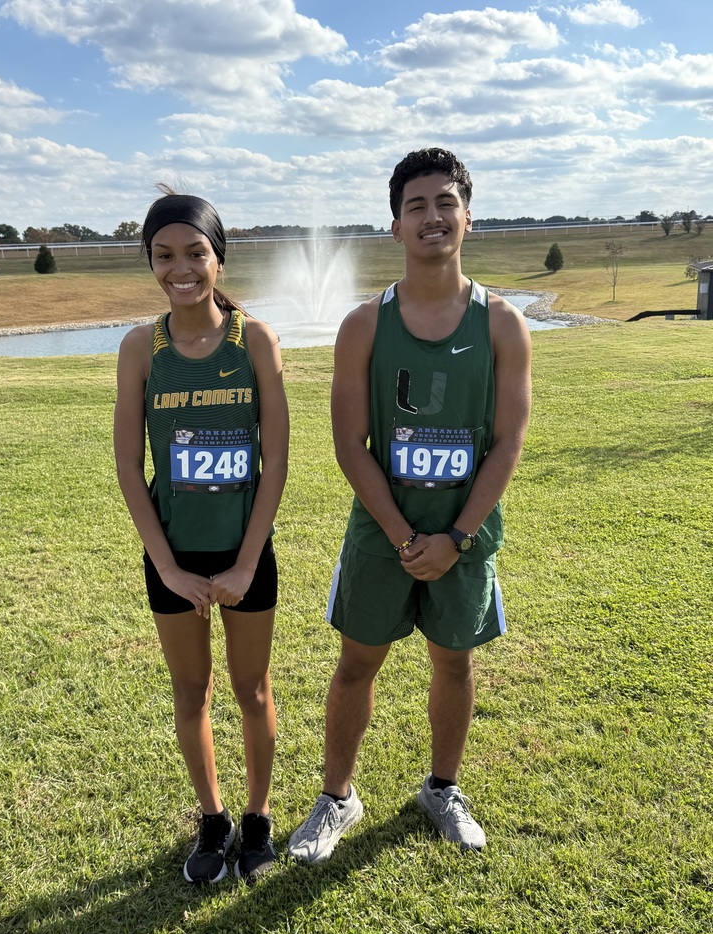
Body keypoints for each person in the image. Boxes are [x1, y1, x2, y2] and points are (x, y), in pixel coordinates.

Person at [288, 148, 531, 863]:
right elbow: (349, 444)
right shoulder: (364, 325)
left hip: (465, 534)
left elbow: (508, 443)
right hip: (381, 535)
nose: (433, 216)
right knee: (357, 665)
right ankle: (337, 798)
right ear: (395, 225)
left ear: (467, 217)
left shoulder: (502, 324)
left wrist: (456, 535)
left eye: (445, 202)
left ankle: (442, 790)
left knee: (453, 665)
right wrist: (402, 537)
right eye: (416, 205)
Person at [114, 187, 289, 883]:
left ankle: (257, 819)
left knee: (252, 691)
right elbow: (130, 466)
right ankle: (212, 821)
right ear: (150, 261)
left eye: (195, 253)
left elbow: (275, 461)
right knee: (192, 695)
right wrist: (169, 570)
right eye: (163, 255)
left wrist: (246, 565)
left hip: (246, 555)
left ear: (219, 258)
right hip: (174, 556)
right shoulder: (140, 347)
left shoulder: (255, 340)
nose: (179, 268)